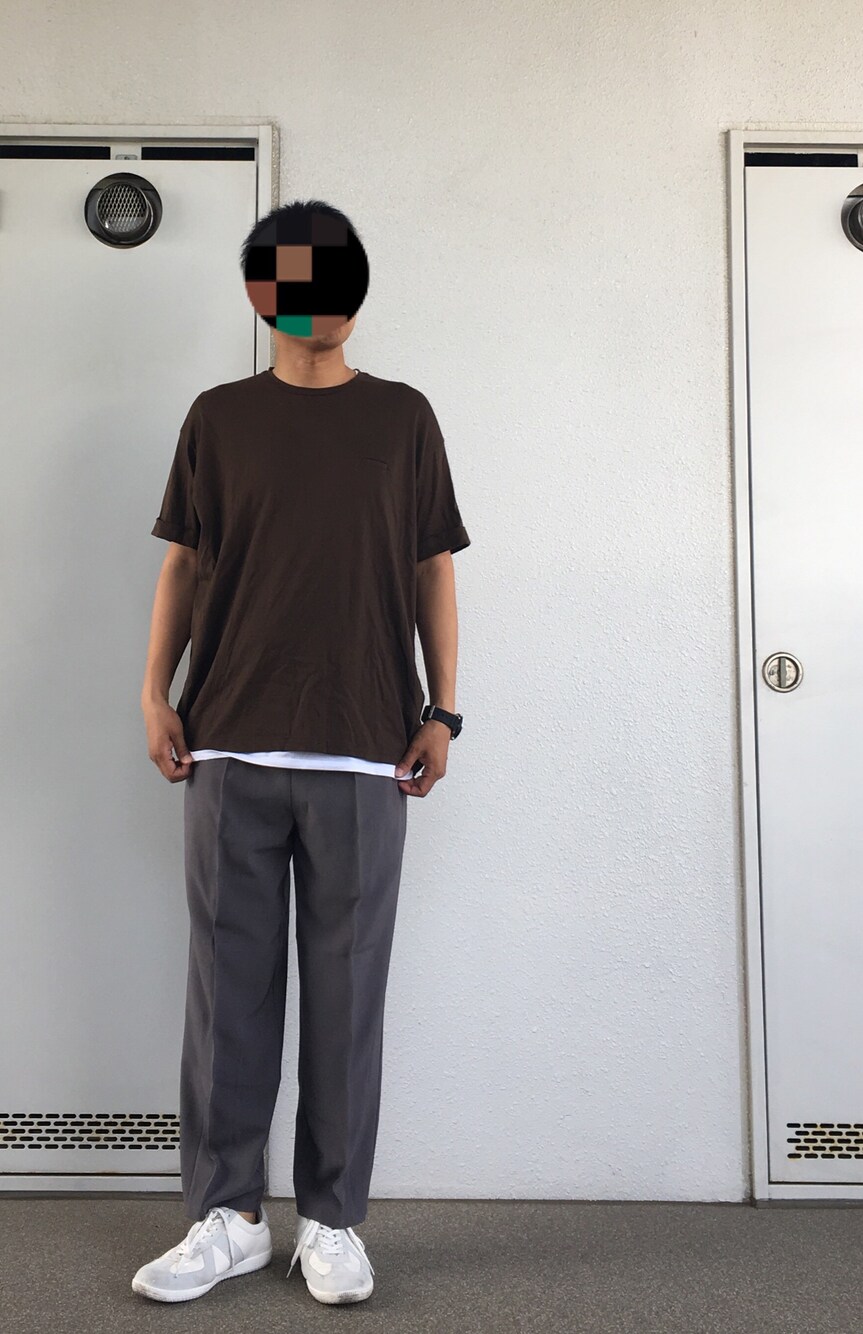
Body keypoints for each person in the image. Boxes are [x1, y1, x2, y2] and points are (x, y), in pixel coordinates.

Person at [131, 199, 470, 1305]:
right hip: (227, 738)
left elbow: (431, 567)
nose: (314, 297)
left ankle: (329, 1220)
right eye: (289, 276)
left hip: (366, 747)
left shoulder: (403, 418)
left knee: (346, 994)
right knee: (226, 992)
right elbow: (185, 564)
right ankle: (226, 1216)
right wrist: (154, 690)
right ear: (258, 293)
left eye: (332, 277)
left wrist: (444, 709)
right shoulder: (217, 417)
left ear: (356, 296)